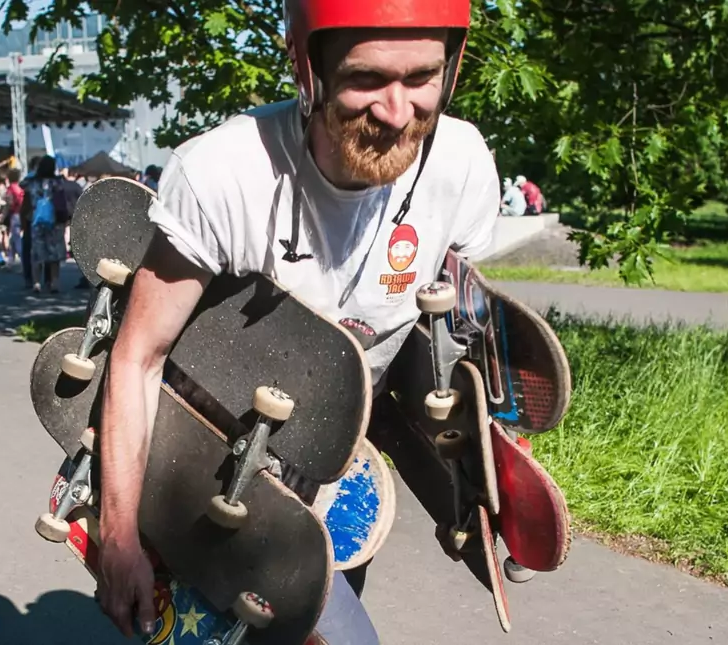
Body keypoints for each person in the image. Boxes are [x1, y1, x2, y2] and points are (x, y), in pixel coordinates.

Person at [94, 0, 498, 639]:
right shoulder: (224, 175)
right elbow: (137, 354)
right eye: (367, 79)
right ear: (309, 71)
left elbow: (454, 335)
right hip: (206, 477)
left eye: (421, 77)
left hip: (335, 481)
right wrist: (116, 538)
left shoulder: (462, 166)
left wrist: (493, 463)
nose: (397, 112)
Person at [20, 156, 71, 294]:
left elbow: (23, 193)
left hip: (37, 221)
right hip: (54, 221)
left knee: (37, 253)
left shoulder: (32, 183)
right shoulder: (57, 183)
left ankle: (36, 283)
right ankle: (54, 282)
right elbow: (63, 202)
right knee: (54, 254)